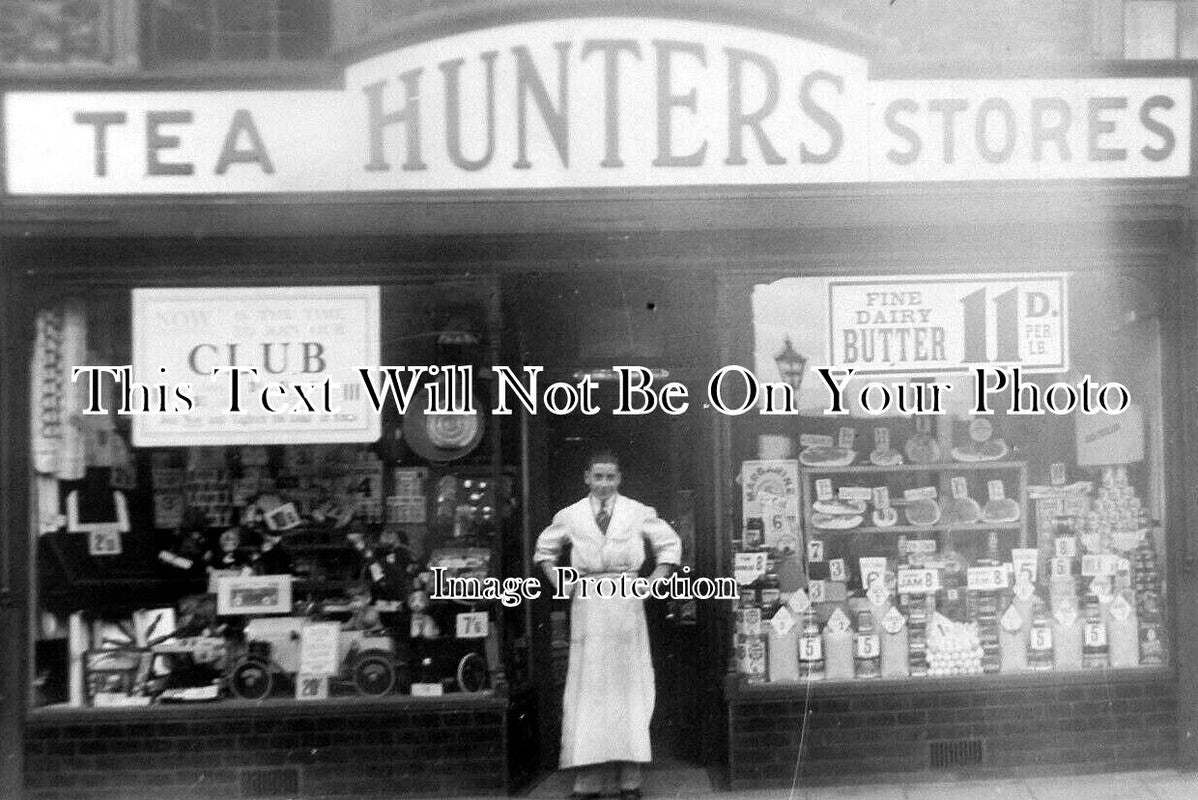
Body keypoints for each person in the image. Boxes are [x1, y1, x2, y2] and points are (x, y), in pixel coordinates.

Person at [534, 450, 682, 800]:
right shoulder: (569, 515)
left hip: (626, 605)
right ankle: (588, 781)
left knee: (630, 686)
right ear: (586, 477)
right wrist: (560, 581)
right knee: (589, 689)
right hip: (589, 606)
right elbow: (544, 549)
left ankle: (630, 778)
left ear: (619, 479)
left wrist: (651, 583)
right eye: (597, 477)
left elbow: (670, 546)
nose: (603, 484)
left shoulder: (637, 511)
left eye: (610, 477)